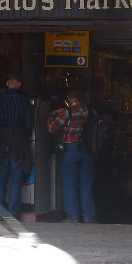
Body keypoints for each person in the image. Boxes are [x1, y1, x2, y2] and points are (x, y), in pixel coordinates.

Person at [0, 73, 33, 218]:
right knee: (16, 180)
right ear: (19, 84)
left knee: (1, 180)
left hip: (1, 143)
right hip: (18, 143)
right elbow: (29, 124)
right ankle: (13, 214)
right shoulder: (24, 101)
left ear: (7, 83)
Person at [46, 88, 95, 223]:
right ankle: (88, 216)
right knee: (86, 185)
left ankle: (73, 216)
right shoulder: (87, 111)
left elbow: (51, 128)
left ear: (68, 98)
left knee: (69, 185)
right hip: (86, 149)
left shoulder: (66, 113)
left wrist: (52, 114)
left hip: (70, 150)